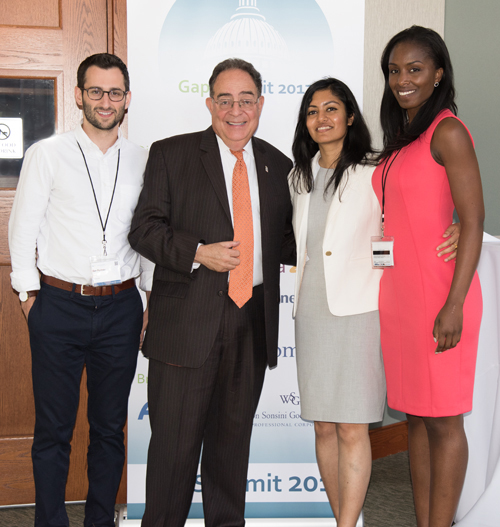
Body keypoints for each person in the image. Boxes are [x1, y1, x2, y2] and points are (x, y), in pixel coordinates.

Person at [128, 58, 295, 527]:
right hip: (186, 327)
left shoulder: (277, 165)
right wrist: (199, 251)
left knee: (230, 451)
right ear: (209, 104)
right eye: (225, 100)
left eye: (246, 100)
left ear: (260, 105)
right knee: (173, 455)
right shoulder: (171, 154)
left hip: (251, 325)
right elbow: (144, 230)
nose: (236, 110)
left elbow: (290, 240)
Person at [289, 78, 459, 527]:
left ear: (349, 116)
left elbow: (416, 209)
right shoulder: (298, 176)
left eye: (331, 108)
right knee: (323, 426)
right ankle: (340, 517)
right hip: (312, 312)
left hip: (361, 312)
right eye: (312, 111)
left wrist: (459, 225)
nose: (321, 119)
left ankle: (348, 525)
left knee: (352, 426)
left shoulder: (375, 169)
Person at [8, 53, 153, 527]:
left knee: (110, 428)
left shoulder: (144, 159)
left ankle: (99, 520)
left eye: (114, 93)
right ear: (79, 95)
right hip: (58, 306)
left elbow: (148, 237)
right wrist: (30, 298)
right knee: (53, 430)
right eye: (95, 91)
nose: (105, 101)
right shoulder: (47, 154)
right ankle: (50, 521)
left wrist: (147, 298)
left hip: (121, 310)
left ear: (127, 100)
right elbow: (22, 228)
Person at [372, 26, 484, 527]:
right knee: (415, 418)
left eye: (414, 69)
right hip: (400, 299)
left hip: (442, 295)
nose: (402, 80)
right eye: (394, 70)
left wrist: (454, 305)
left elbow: (474, 218)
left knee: (443, 421)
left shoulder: (447, 131)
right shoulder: (404, 136)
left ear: (438, 73)